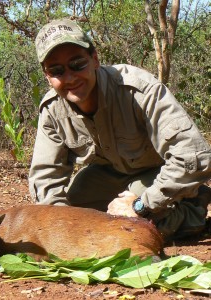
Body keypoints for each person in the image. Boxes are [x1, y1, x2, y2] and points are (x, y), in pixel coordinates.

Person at [29, 18, 211, 240]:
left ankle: (192, 209)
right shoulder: (51, 110)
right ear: (47, 77)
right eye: (57, 70)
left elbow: (193, 157)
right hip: (107, 175)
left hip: (156, 171)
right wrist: (64, 230)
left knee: (135, 228)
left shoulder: (138, 89)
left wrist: (142, 204)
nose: (70, 77)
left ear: (94, 59)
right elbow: (45, 181)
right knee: (75, 212)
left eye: (78, 64)